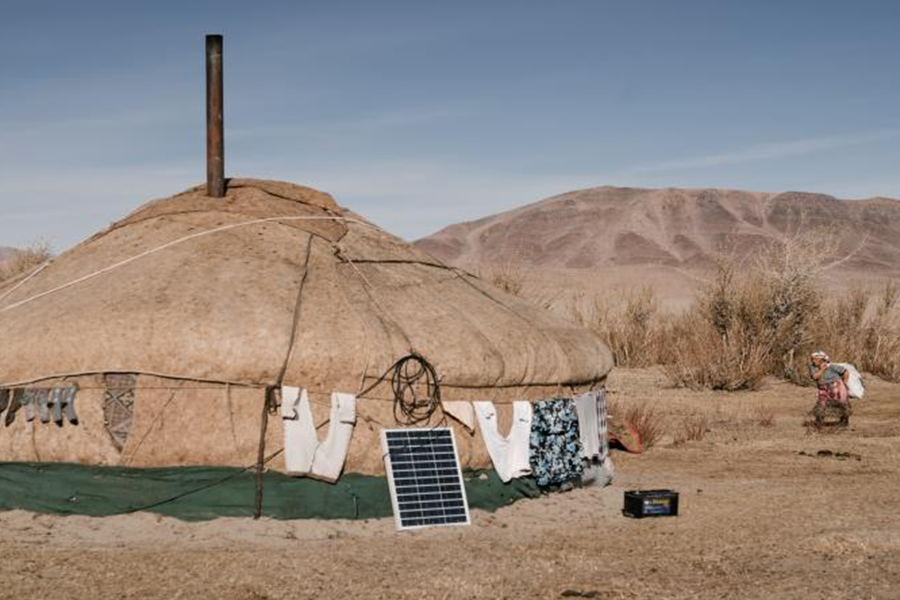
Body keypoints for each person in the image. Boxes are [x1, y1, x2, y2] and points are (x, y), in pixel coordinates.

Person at [808, 351, 851, 428]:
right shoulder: (813, 367)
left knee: (841, 403)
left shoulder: (832, 366)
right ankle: (819, 423)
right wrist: (822, 370)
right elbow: (815, 377)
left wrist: (844, 383)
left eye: (814, 359)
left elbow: (845, 372)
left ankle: (844, 422)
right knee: (821, 403)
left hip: (836, 386)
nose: (812, 361)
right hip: (823, 387)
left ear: (820, 360)